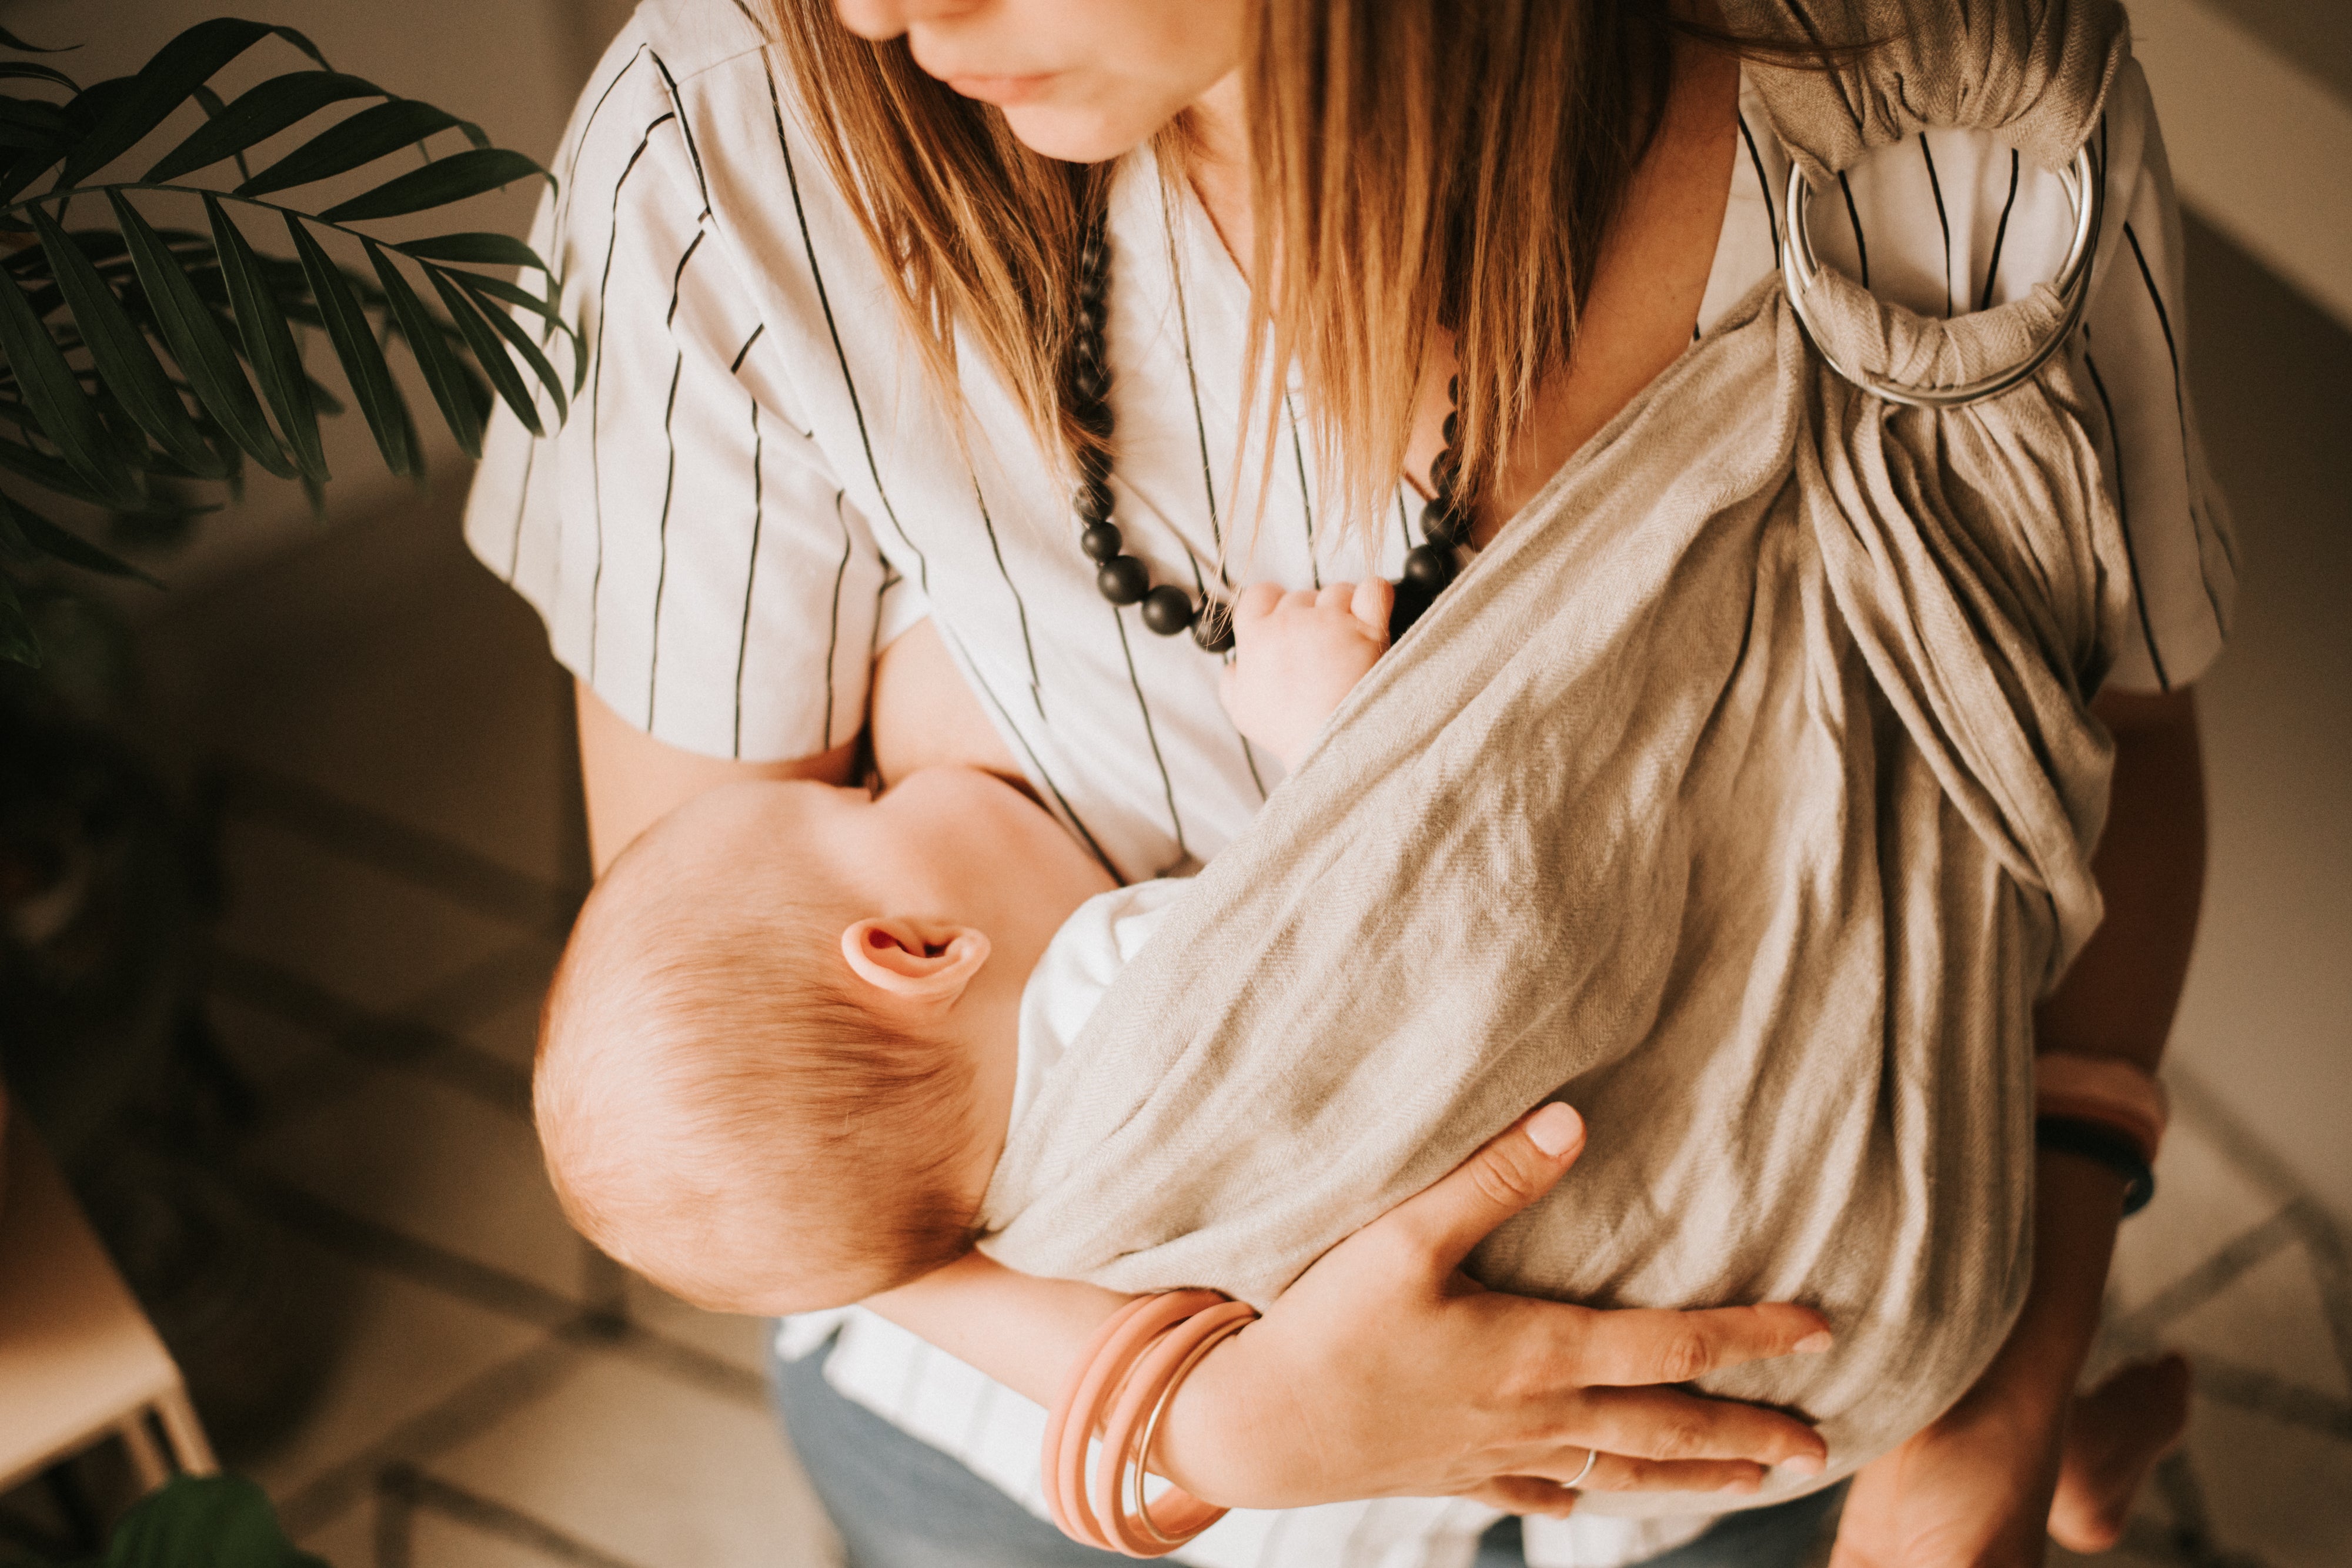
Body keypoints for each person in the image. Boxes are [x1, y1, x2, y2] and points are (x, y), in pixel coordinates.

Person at [463, 0, 2226, 1562]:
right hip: (1023, 1480)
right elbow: (742, 1128)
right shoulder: (723, 156)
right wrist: (1199, 1423)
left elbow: (2107, 752)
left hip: (1730, 1453)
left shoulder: (1958, 104)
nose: (876, 10)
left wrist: (1989, 1416)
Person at [533, 580, 2188, 1549]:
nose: (899, 782)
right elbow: (1422, 936)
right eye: (867, 797)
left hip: (1075, 1460)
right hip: (1568, 1441)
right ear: (912, 948)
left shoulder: (977, 1188)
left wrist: (1182, 1424)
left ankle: (2041, 1460)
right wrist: (1341, 729)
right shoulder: (1120, 987)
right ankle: (2049, 1467)